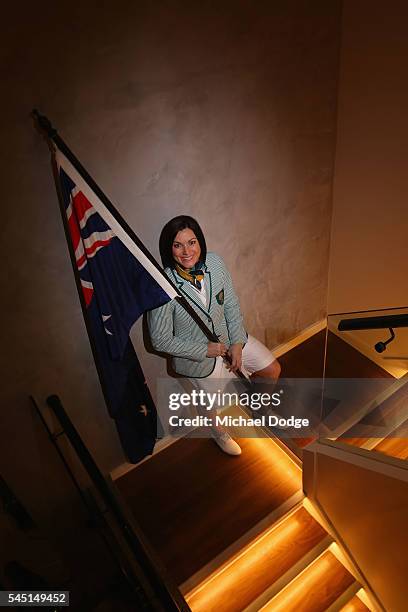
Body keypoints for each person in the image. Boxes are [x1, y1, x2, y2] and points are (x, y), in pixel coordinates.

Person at [147, 215, 281, 455]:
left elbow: (230, 304)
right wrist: (205, 350)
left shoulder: (216, 263)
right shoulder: (162, 286)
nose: (187, 251)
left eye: (192, 242)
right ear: (169, 249)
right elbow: (160, 339)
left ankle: (257, 409)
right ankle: (218, 433)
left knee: (272, 370)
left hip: (230, 337)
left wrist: (238, 343)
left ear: (200, 242)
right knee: (211, 405)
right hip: (198, 358)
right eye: (178, 245)